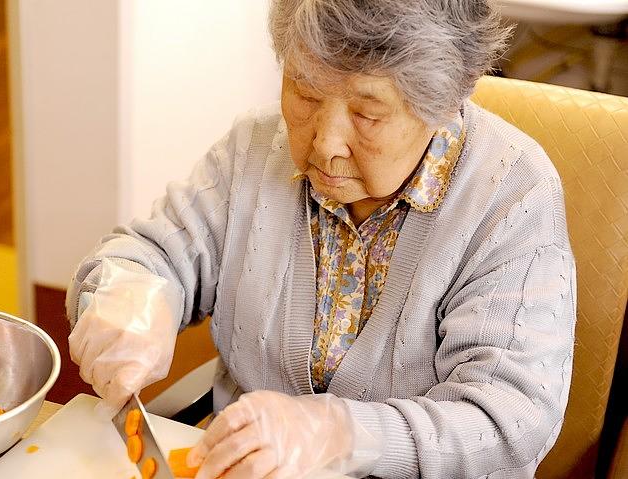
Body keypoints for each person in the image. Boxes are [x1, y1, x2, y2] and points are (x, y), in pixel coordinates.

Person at [66, 1, 576, 477]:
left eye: (367, 114)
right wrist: (127, 292)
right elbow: (150, 254)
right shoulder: (254, 149)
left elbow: (508, 417)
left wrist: (337, 432)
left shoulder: (511, 194)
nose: (326, 144)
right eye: (305, 93)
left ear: (441, 101)